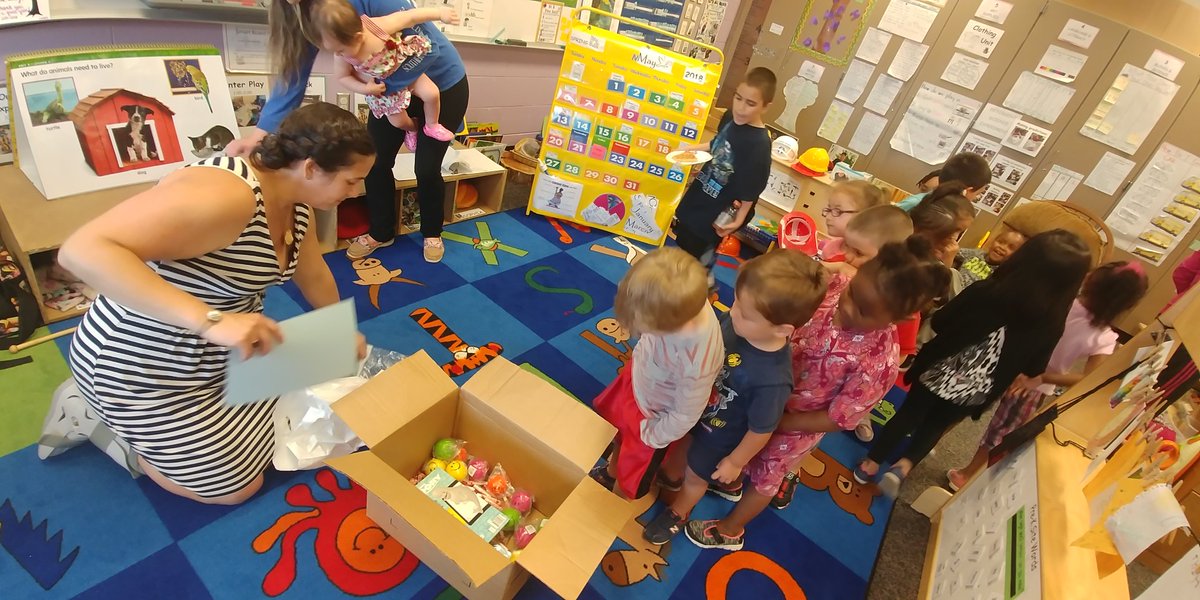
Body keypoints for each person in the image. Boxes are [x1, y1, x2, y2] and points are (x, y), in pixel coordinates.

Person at [59, 103, 375, 505]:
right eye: (351, 181)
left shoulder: (298, 205)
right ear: (311, 168)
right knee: (235, 488)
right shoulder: (226, 195)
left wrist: (340, 331)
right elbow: (81, 250)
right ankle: (99, 419)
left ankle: (203, 434)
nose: (356, 192)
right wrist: (209, 321)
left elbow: (312, 274)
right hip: (142, 366)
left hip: (222, 353)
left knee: (325, 407)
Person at [683, 238, 948, 550]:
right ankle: (733, 481)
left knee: (767, 476)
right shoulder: (837, 285)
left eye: (862, 311)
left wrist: (781, 423)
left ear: (900, 320)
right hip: (759, 389)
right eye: (851, 293)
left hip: (795, 426)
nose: (846, 307)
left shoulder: (879, 361)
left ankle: (730, 529)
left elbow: (839, 418)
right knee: (737, 447)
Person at [226, 0, 468, 264]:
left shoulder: (370, 11)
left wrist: (389, 89)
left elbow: (424, 45)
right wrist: (259, 135)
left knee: (426, 167)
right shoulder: (309, 20)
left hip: (440, 85)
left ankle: (432, 232)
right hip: (388, 92)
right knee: (376, 161)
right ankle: (381, 231)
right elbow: (294, 77)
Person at [856, 230, 1093, 498]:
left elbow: (942, 320)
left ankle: (872, 462)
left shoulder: (987, 291)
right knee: (936, 425)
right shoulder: (1052, 323)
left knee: (909, 414)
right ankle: (905, 465)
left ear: (1024, 259)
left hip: (940, 369)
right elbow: (1035, 366)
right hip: (979, 388)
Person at [642, 250, 827, 545]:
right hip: (696, 406)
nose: (733, 311)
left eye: (745, 312)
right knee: (680, 445)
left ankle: (679, 512)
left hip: (720, 436)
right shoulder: (740, 322)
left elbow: (762, 429)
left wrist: (736, 462)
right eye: (737, 302)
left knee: (696, 477)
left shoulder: (773, 380)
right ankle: (670, 476)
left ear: (782, 330)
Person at [947, 260, 1149, 490]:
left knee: (960, 403)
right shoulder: (1103, 337)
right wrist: (1043, 378)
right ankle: (966, 476)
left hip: (1005, 363)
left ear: (1092, 280)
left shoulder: (1062, 301)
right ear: (1126, 304)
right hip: (1033, 387)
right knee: (1001, 433)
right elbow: (1090, 378)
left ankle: (931, 442)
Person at [590, 247, 726, 499]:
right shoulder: (676, 303)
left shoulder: (697, 361)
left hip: (654, 418)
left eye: (645, 329)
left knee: (632, 473)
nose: (638, 333)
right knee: (619, 434)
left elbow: (685, 414)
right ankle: (611, 471)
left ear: (672, 325)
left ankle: (614, 499)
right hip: (642, 383)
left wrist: (653, 436)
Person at [673, 68, 774, 288]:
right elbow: (717, 144)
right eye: (738, 98)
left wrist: (739, 219)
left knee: (703, 245)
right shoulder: (730, 116)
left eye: (750, 103)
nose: (740, 107)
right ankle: (683, 277)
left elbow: (754, 186)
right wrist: (690, 150)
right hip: (703, 190)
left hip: (722, 206)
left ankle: (703, 285)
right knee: (685, 234)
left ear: (765, 106)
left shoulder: (760, 144)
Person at [314, 0, 460, 147]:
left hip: (403, 68)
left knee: (432, 94)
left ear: (357, 37)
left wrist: (440, 13)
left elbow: (409, 17)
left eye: (340, 50)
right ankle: (412, 129)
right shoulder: (341, 55)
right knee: (398, 122)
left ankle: (431, 125)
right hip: (385, 87)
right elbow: (343, 77)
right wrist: (365, 89)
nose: (338, 55)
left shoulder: (375, 26)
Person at [820, 204, 912, 268]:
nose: (847, 255)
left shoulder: (878, 289)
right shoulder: (839, 260)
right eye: (847, 245)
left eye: (858, 253)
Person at [816, 180, 887, 262]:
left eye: (838, 211)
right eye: (829, 209)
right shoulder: (831, 249)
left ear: (864, 217)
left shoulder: (871, 260)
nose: (828, 217)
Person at [896, 153, 991, 212]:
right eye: (978, 193)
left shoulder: (948, 212)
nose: (976, 197)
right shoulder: (916, 204)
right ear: (966, 190)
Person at [953, 229, 1027, 290]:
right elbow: (953, 251)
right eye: (1000, 242)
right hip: (951, 288)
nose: (1002, 247)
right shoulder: (975, 253)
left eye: (1011, 247)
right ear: (992, 242)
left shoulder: (1003, 273)